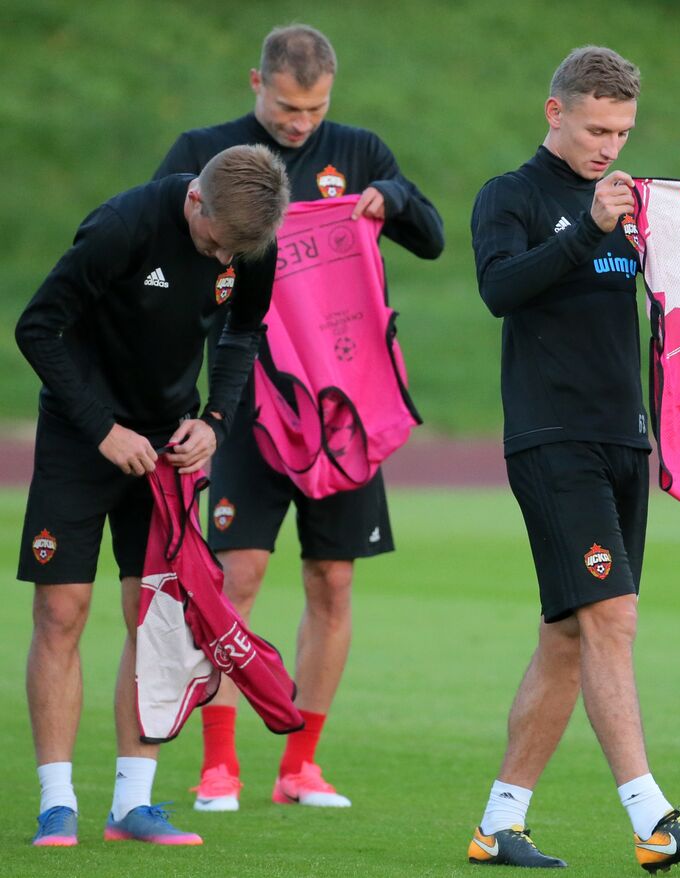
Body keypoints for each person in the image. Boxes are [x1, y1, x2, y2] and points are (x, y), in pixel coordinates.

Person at [468, 46, 680, 870]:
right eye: (598, 128)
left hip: (622, 438)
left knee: (569, 635)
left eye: (623, 131)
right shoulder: (513, 195)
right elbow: (499, 288)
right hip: (552, 438)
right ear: (554, 112)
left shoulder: (634, 202)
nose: (610, 145)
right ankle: (653, 822)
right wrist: (586, 231)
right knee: (613, 618)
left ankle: (499, 826)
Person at [153, 24, 445, 811]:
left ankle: (300, 765)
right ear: (257, 83)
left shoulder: (358, 151)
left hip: (339, 403)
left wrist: (398, 201)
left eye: (314, 109)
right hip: (242, 404)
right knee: (234, 577)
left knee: (333, 579)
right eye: (287, 107)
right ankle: (219, 764)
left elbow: (434, 240)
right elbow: (162, 251)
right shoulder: (204, 150)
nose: (300, 124)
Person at [17, 144, 289, 847]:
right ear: (196, 201)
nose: (226, 261)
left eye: (239, 253)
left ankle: (132, 805)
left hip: (169, 449)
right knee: (60, 612)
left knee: (156, 618)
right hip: (83, 438)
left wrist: (217, 422)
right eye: (216, 245)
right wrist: (102, 429)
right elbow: (38, 328)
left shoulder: (251, 238)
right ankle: (56, 804)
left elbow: (243, 331)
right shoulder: (123, 227)